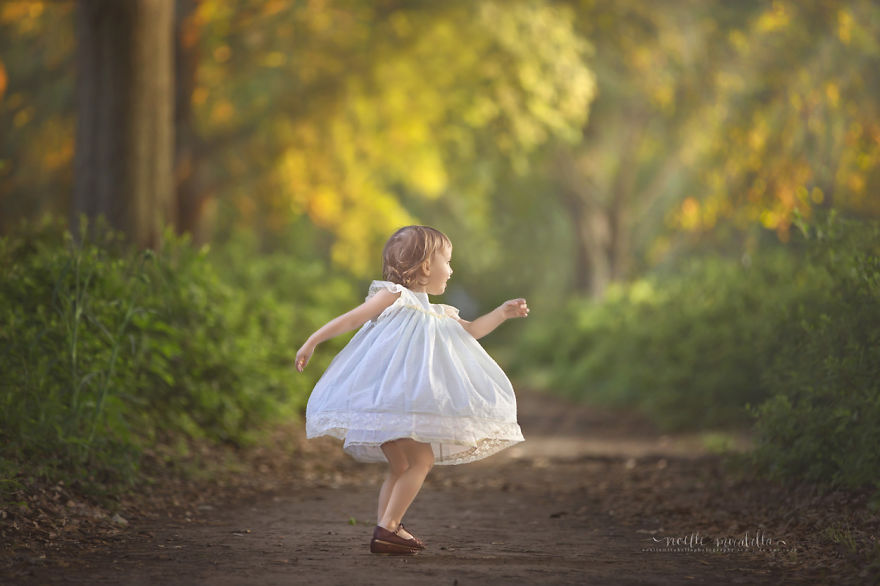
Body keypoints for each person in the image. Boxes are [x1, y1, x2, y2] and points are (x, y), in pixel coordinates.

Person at [295, 225, 527, 555]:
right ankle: (388, 527)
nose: (452, 268)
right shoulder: (395, 296)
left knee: (401, 467)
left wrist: (502, 313)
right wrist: (312, 340)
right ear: (427, 267)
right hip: (390, 401)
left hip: (395, 405)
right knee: (423, 460)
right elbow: (353, 318)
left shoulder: (439, 313)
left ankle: (387, 529)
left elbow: (473, 331)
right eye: (447, 260)